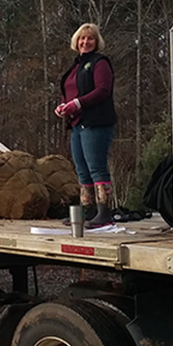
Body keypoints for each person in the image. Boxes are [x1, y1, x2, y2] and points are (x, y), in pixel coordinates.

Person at [55, 23, 117, 228]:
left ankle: (104, 213)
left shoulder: (100, 63)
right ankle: (87, 210)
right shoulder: (75, 66)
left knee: (96, 167)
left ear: (96, 42)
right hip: (77, 123)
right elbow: (70, 91)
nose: (85, 42)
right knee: (82, 169)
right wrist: (64, 106)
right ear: (76, 41)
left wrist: (78, 103)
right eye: (82, 38)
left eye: (90, 38)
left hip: (97, 122)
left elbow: (102, 90)